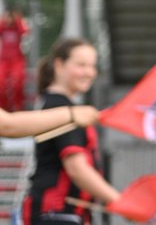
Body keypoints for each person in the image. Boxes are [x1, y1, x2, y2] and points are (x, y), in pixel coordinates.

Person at [24, 38, 120, 225]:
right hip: (56, 214)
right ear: (59, 65)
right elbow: (77, 168)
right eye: (81, 65)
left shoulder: (54, 104)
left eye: (92, 66)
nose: (89, 72)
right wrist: (120, 201)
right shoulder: (62, 109)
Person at [0, 9, 29, 111]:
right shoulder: (3, 27)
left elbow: (25, 31)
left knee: (17, 84)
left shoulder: (17, 27)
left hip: (17, 60)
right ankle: (3, 108)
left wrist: (18, 20)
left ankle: (18, 107)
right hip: (4, 60)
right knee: (1, 85)